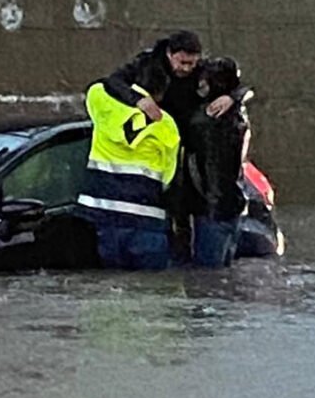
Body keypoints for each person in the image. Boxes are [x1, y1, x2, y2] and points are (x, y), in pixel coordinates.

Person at [101, 30, 240, 263]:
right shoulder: (147, 65)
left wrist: (232, 97)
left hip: (191, 148)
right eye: (182, 62)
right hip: (160, 146)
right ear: (169, 54)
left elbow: (244, 86)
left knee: (192, 207)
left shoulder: (207, 71)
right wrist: (139, 101)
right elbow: (111, 82)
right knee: (173, 210)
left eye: (192, 63)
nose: (186, 68)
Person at [77, 63, 180, 269]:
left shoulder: (102, 103)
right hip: (146, 225)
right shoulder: (167, 125)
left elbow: (100, 85)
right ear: (159, 95)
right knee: (149, 294)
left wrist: (134, 97)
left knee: (104, 291)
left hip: (101, 218)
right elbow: (168, 177)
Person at [185, 57, 250, 267]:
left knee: (207, 277)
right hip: (235, 203)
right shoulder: (238, 114)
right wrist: (235, 96)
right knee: (223, 273)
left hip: (210, 209)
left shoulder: (203, 120)